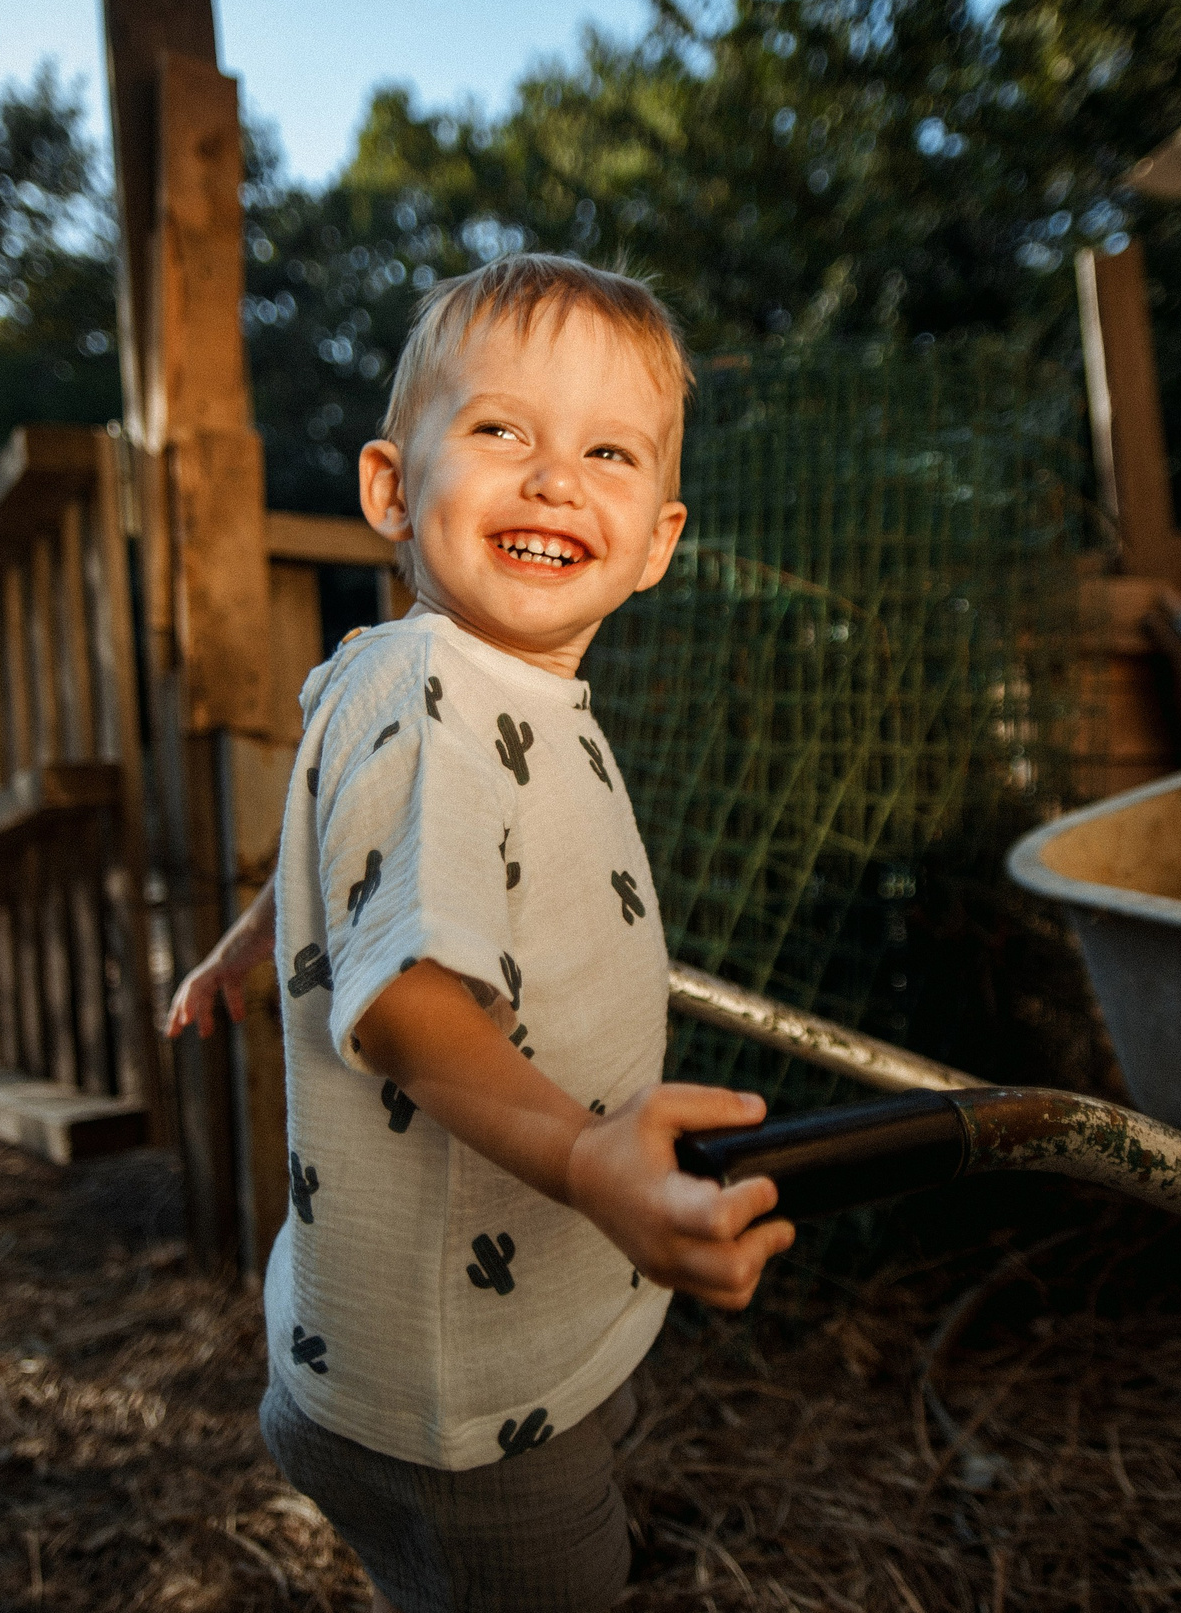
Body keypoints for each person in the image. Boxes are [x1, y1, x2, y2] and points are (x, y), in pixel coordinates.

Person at [165, 253, 792, 1612]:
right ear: (394, 489)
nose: (556, 478)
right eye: (504, 430)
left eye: (608, 452)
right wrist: (583, 1155)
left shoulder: (405, 675)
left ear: (657, 540)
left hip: (443, 1334)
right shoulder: (442, 693)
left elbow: (346, 846)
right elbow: (407, 1005)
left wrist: (253, 938)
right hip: (464, 1402)